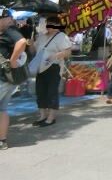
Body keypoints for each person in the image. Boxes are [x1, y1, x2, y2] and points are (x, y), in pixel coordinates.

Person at [30, 16, 72, 127]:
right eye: (48, 24)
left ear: (57, 25)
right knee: (40, 92)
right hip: (40, 68)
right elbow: (33, 51)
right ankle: (42, 115)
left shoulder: (61, 37)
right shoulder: (42, 36)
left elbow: (68, 52)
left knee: (51, 92)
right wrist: (31, 43)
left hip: (53, 67)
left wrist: (56, 55)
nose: (49, 27)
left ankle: (51, 117)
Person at [0, 8, 27, 150]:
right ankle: (2, 141)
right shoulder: (6, 31)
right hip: (7, 78)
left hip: (3, 78)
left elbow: (22, 42)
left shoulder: (10, 30)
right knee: (2, 109)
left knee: (2, 109)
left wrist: (13, 60)